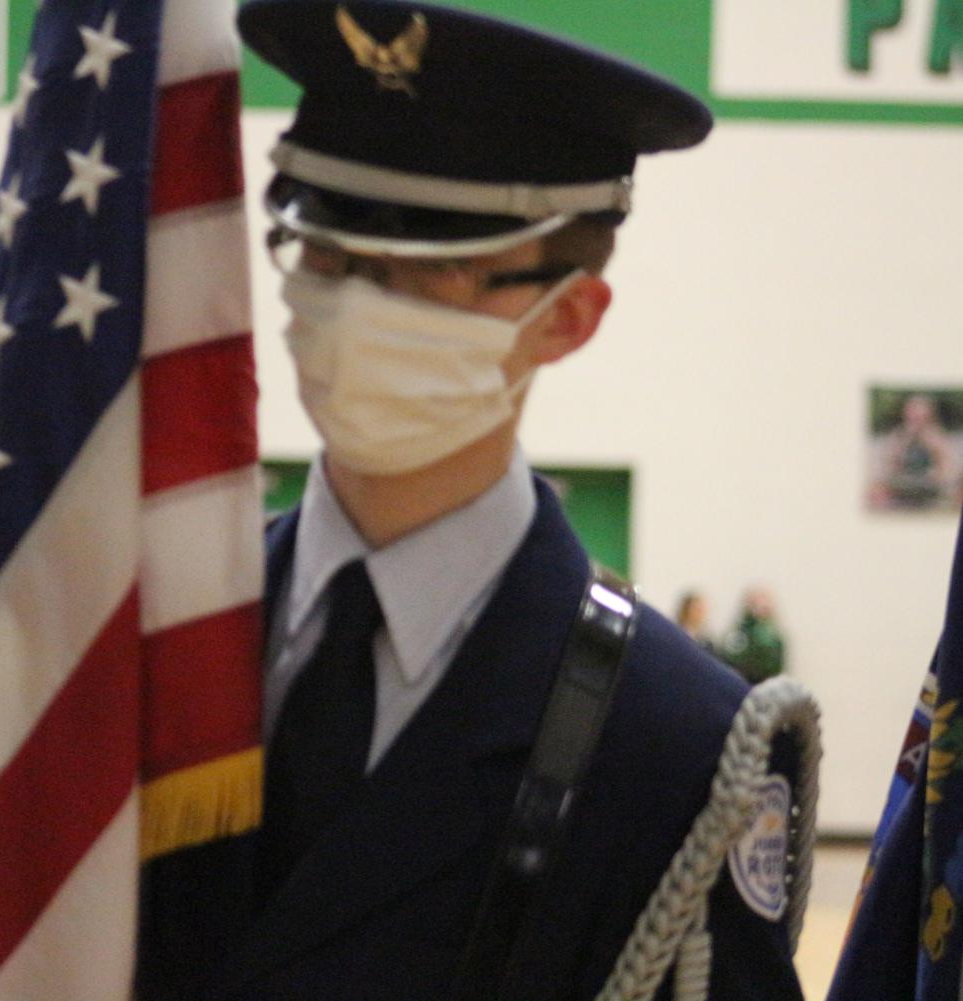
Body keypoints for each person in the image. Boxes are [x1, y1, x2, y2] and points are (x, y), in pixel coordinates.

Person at [136, 3, 806, 999]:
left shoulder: (679, 743)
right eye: (325, 249)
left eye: (431, 266)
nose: (357, 303)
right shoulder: (147, 638)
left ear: (566, 315)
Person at [721, 587, 787, 685]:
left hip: (768, 684)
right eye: (758, 605)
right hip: (744, 683)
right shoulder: (740, 632)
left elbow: (777, 661)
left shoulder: (773, 633)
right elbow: (732, 657)